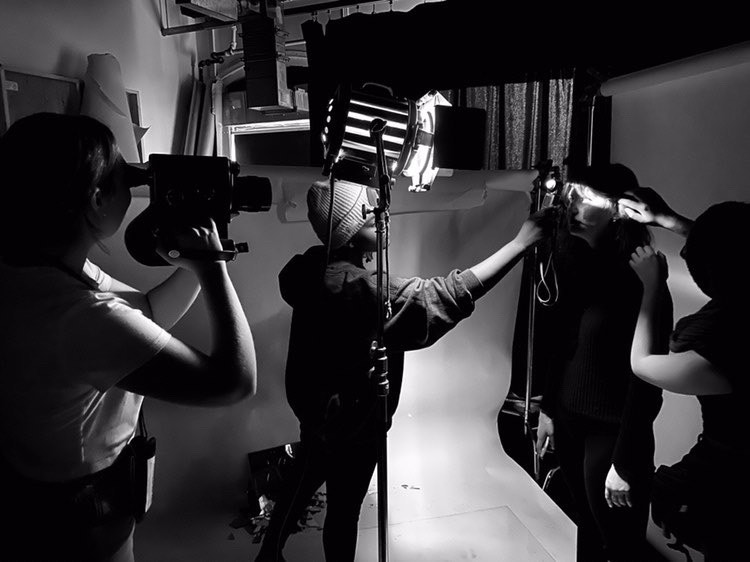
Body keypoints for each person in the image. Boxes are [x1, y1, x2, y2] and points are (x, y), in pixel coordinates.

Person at [254, 179, 556, 562]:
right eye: (373, 214)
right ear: (350, 224)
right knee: (344, 511)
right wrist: (520, 243)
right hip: (354, 425)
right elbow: (444, 296)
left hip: (318, 415)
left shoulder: (311, 269)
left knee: (304, 478)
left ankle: (268, 553)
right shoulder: (359, 290)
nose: (384, 220)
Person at [0, 113, 257, 562]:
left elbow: (148, 315)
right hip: (82, 519)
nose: (134, 182)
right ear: (97, 199)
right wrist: (213, 269)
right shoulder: (80, 317)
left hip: (39, 498)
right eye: (122, 174)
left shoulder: (42, 268)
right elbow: (234, 383)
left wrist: (195, 261)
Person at [533, 164, 672, 561]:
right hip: (572, 421)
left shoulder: (643, 280)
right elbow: (562, 341)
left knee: (620, 545)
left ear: (619, 211)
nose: (573, 204)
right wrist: (548, 410)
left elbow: (648, 382)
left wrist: (625, 462)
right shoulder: (575, 262)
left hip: (613, 434)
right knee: (587, 535)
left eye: (589, 198)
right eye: (574, 192)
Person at [622, 191, 749, 561]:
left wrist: (652, 287)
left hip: (734, 497)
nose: (683, 254)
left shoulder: (725, 355)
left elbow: (643, 364)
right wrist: (667, 218)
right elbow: (733, 247)